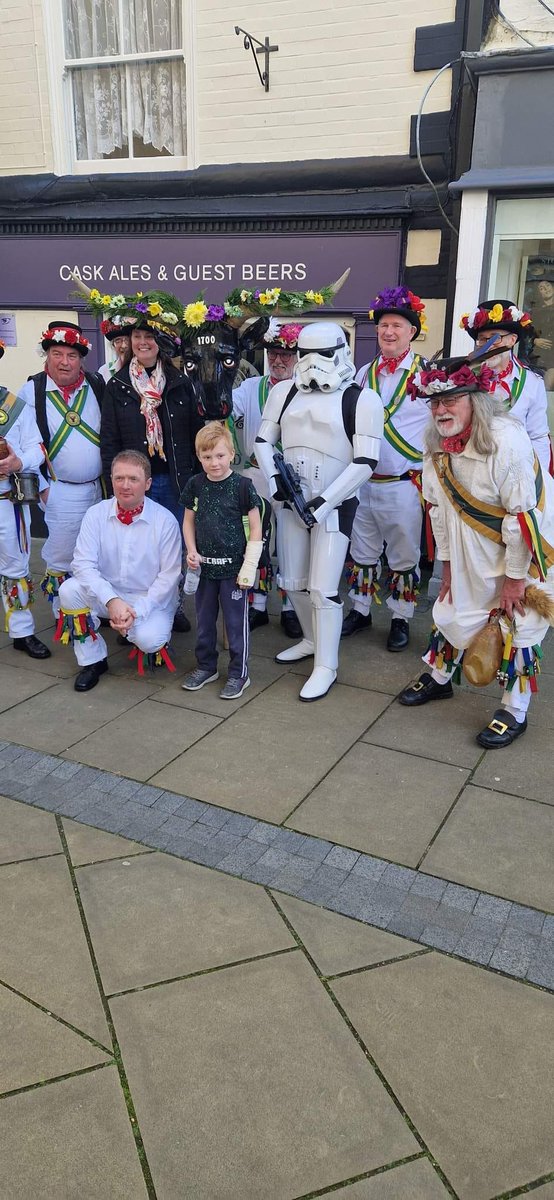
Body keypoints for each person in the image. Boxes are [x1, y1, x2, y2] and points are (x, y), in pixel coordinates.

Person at [399, 358, 554, 747]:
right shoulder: (435, 441)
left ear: (477, 400)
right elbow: (437, 508)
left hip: (528, 541)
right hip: (466, 540)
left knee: (520, 619)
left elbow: (523, 516)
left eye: (451, 399)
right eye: (434, 402)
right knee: (455, 602)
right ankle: (439, 677)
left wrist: (516, 579)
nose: (440, 409)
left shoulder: (506, 439)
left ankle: (514, 709)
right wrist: (447, 566)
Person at [255, 321, 383, 701]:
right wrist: (274, 480)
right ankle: (311, 640)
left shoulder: (362, 399)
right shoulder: (282, 392)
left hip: (334, 503)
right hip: (291, 499)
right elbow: (264, 440)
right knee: (292, 581)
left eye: (322, 354)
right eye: (303, 354)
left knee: (324, 590)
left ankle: (327, 664)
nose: (311, 363)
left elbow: (365, 460)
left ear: (341, 352)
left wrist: (327, 501)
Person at [99, 291, 204, 634]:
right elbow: (110, 440)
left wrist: (196, 482)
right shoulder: (117, 386)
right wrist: (111, 484)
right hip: (135, 484)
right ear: (128, 342)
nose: (143, 342)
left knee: (170, 552)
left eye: (149, 337)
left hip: (174, 482)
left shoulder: (180, 383)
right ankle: (133, 609)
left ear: (160, 342)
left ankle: (171, 608)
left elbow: (193, 436)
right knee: (138, 552)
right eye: (137, 337)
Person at [341, 287, 429, 651]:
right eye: (383, 326)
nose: (389, 332)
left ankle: (400, 617)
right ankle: (360, 610)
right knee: (362, 549)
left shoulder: (427, 375)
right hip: (364, 480)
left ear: (411, 332)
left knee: (403, 554)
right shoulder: (363, 373)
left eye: (397, 325)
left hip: (403, 482)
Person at [56, 450, 182, 692]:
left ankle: (133, 630)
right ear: (110, 479)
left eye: (133, 479)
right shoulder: (96, 514)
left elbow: (169, 577)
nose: (125, 485)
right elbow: (82, 564)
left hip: (147, 599)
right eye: (119, 478)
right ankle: (93, 661)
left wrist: (136, 611)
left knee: (150, 640)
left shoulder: (165, 521)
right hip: (108, 593)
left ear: (148, 484)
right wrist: (112, 600)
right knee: (69, 590)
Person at [18, 320, 104, 617]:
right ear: (47, 355)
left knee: (94, 553)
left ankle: (91, 607)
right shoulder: (31, 391)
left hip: (98, 489)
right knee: (61, 555)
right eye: (57, 354)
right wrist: (43, 488)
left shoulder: (96, 384)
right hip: (60, 489)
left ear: (81, 359)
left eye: (72, 356)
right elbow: (21, 443)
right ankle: (64, 612)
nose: (64, 362)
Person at [181, 422, 263, 700]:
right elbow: (188, 522)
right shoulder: (195, 485)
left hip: (234, 571)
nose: (213, 463)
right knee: (204, 622)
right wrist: (191, 550)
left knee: (235, 622)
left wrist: (249, 565)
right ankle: (206, 667)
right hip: (204, 569)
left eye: (219, 455)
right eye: (206, 457)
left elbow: (255, 528)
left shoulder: (242, 486)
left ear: (231, 454)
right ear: (199, 457)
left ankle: (239, 672)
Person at [232, 319, 303, 637]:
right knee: (255, 543)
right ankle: (258, 605)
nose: (278, 360)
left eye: (286, 355)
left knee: (289, 544)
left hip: (291, 482)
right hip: (255, 476)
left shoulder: (307, 391)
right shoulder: (249, 389)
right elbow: (224, 410)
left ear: (298, 357)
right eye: (274, 353)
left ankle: (290, 609)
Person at [460, 299, 552, 473]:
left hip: (513, 473)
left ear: (512, 340)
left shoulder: (532, 382)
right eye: (482, 339)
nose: (487, 345)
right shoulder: (463, 378)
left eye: (495, 338)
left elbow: (537, 436)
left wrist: (540, 481)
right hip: (470, 472)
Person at [0, 342, 50, 659]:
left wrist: (18, 463)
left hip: (8, 500)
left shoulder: (14, 405)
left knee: (16, 567)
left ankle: (22, 631)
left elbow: (37, 447)